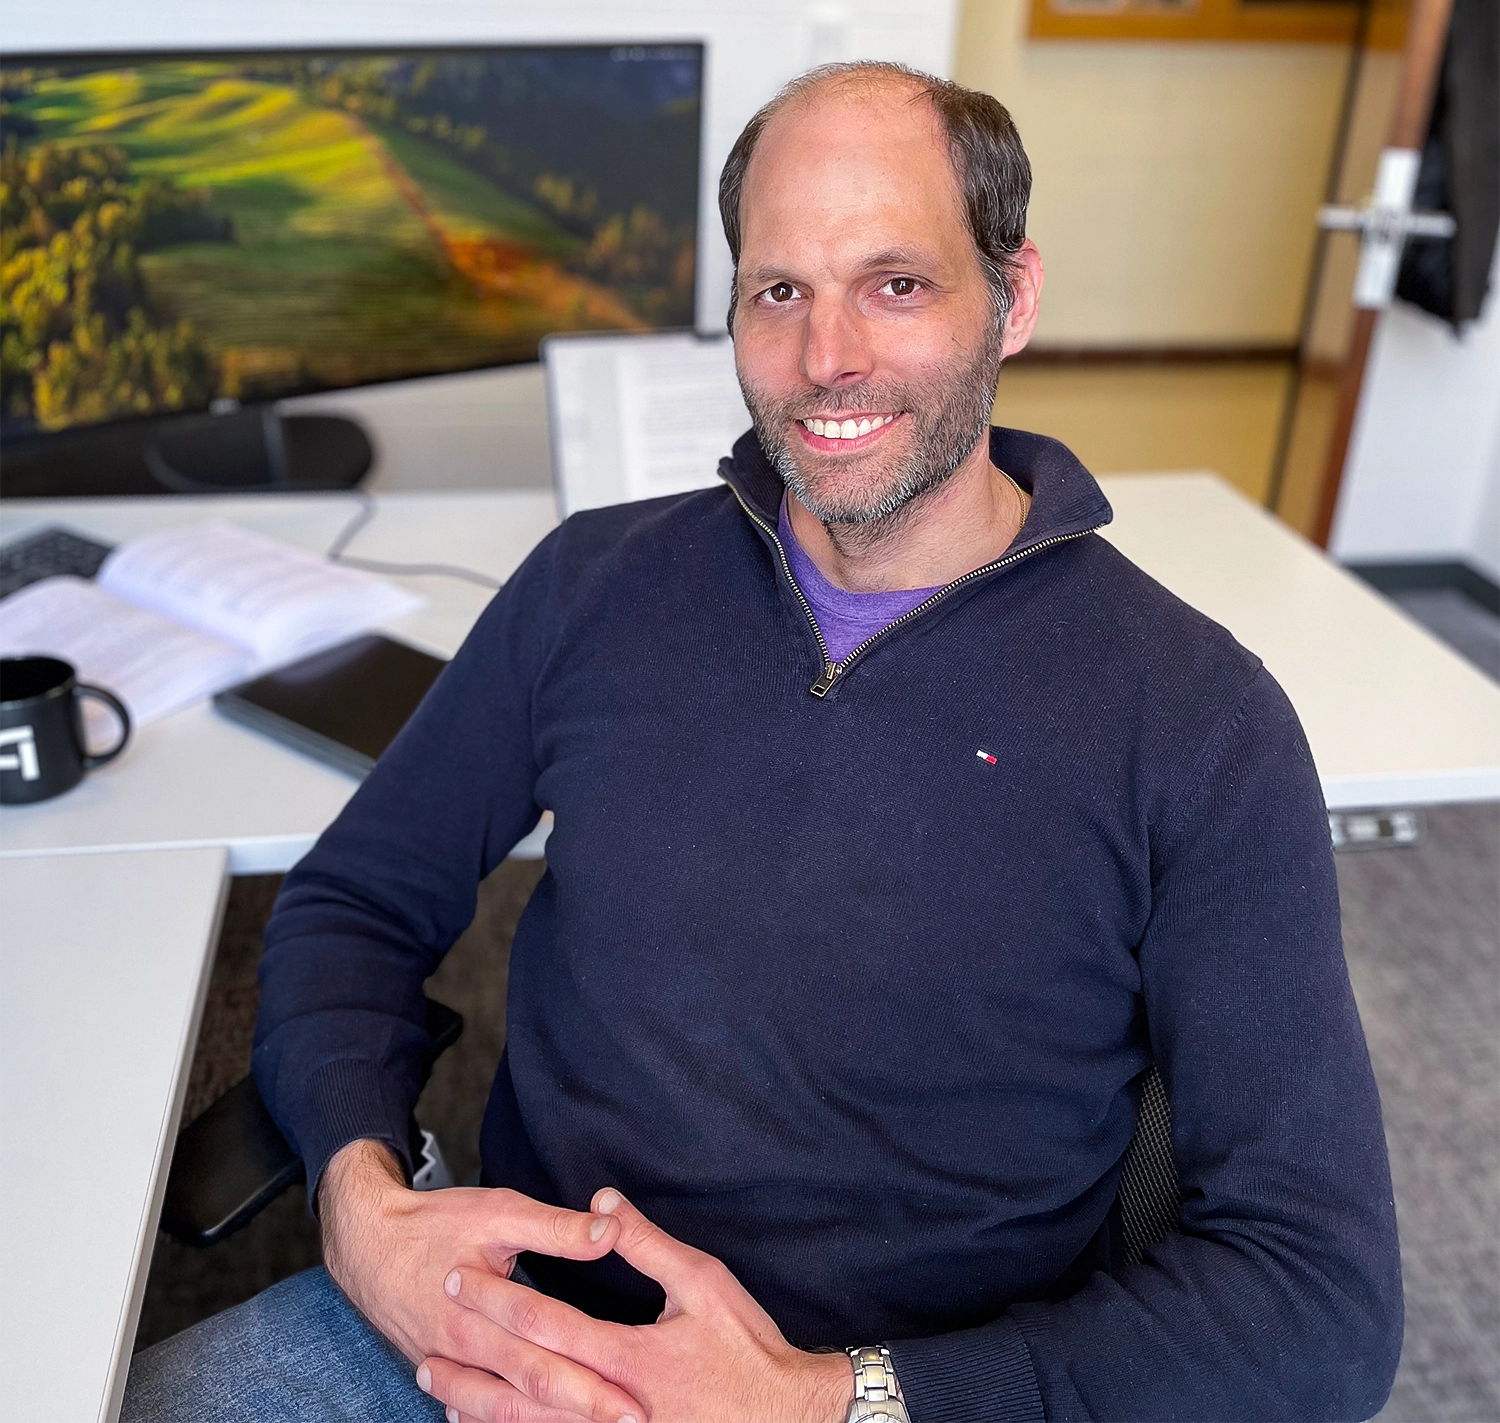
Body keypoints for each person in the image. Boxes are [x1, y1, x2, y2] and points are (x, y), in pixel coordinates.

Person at [124, 61, 1403, 1423]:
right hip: (498, 1329)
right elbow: (355, 899)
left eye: (897, 283)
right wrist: (363, 1199)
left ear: (1012, 300)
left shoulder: (1198, 718)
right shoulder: (593, 586)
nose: (826, 356)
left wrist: (820, 1396)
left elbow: (1316, 1297)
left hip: (893, 1390)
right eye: (778, 290)